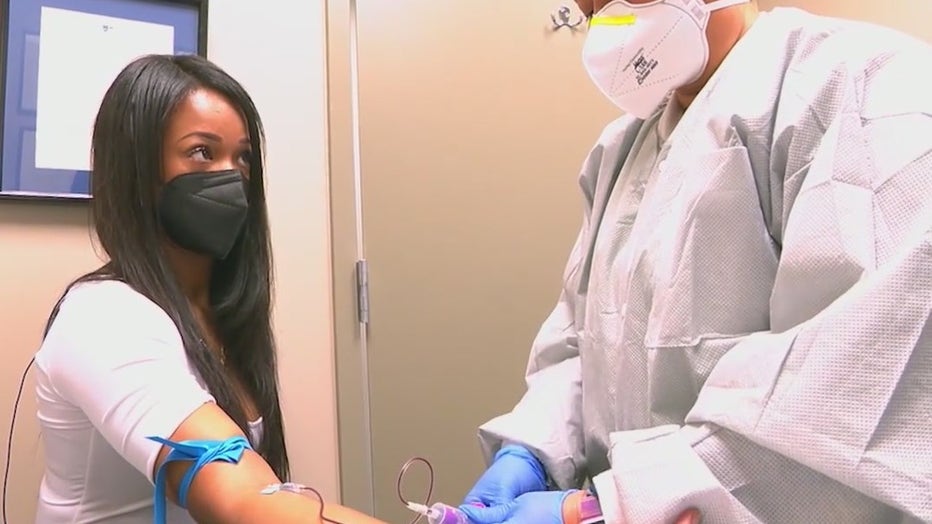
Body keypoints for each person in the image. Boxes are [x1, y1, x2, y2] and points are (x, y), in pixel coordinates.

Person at [458, 0, 932, 523]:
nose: (594, 11)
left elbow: (856, 391)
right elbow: (584, 346)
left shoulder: (867, 88)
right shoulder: (620, 150)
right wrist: (532, 448)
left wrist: (611, 510)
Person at [34, 54, 385, 524]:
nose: (232, 176)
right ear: (138, 169)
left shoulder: (222, 314)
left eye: (242, 157)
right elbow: (242, 500)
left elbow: (269, 489)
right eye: (202, 152)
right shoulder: (104, 317)